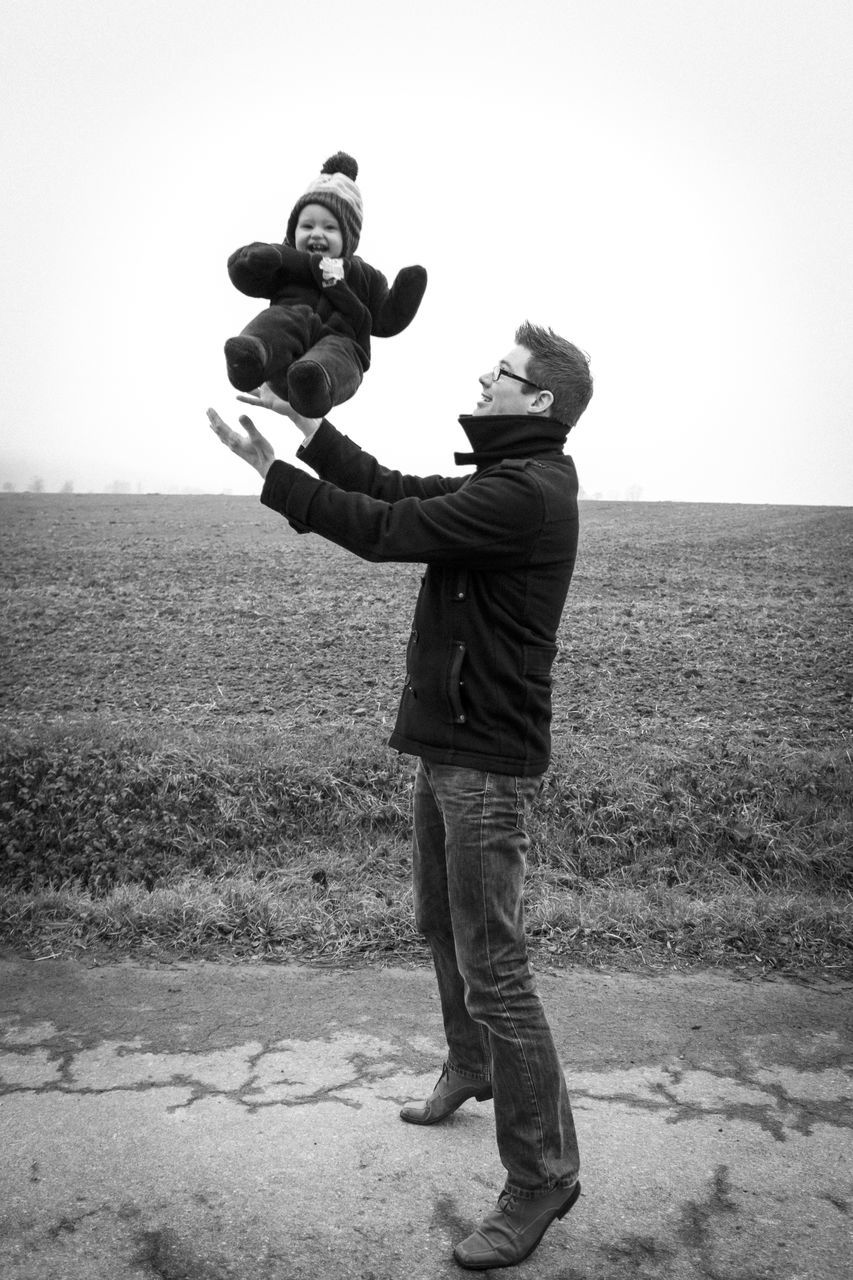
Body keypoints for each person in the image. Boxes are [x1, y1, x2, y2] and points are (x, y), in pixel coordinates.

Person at [206, 320, 593, 1270]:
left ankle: (542, 1175)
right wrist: (309, 428)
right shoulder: (504, 480)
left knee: (495, 963)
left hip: (485, 761)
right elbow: (396, 489)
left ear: (536, 401)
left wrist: (278, 481)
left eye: (498, 373)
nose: (482, 377)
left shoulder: (528, 495)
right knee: (438, 922)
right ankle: (470, 1064)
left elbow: (387, 531)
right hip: (448, 737)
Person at [224, 151, 427, 417]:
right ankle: (254, 356)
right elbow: (246, 276)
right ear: (292, 232)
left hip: (341, 340)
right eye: (307, 226)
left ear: (348, 238)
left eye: (329, 228)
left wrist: (406, 292)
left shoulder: (364, 275)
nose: (316, 233)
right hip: (284, 344)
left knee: (339, 355)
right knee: (276, 322)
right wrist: (257, 260)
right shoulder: (288, 260)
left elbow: (385, 319)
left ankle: (317, 383)